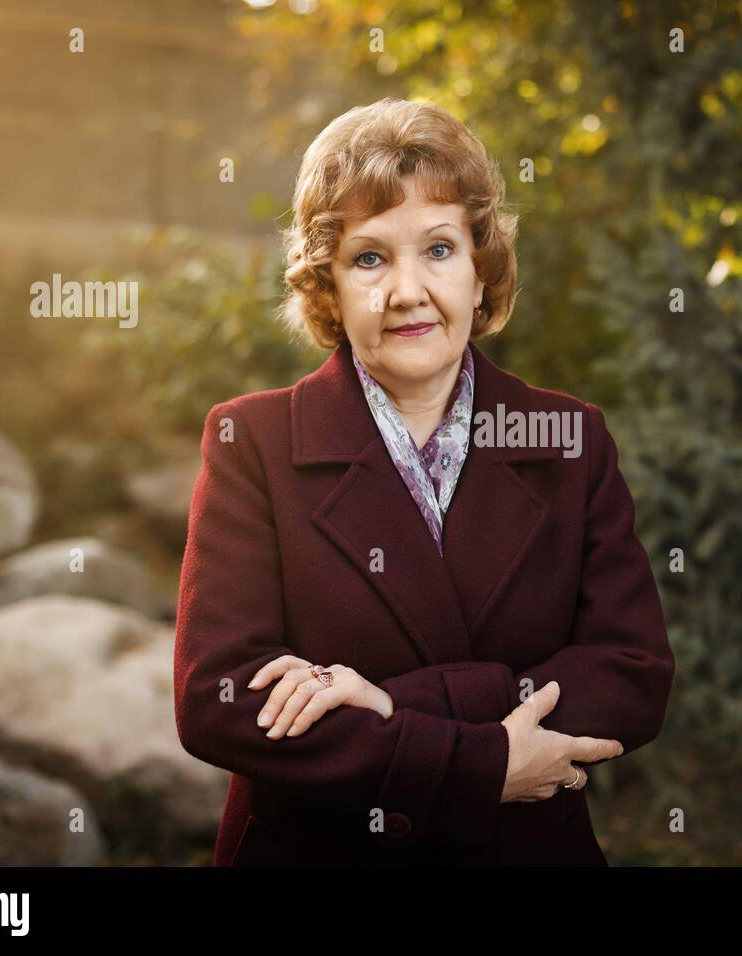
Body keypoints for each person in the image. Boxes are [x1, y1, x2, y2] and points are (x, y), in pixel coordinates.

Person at [173, 97, 675, 865]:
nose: (408, 290)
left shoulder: (569, 440)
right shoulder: (255, 442)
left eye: (438, 249)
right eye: (369, 258)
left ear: (481, 270)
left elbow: (630, 674)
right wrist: (483, 764)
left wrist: (384, 704)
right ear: (329, 288)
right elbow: (221, 702)